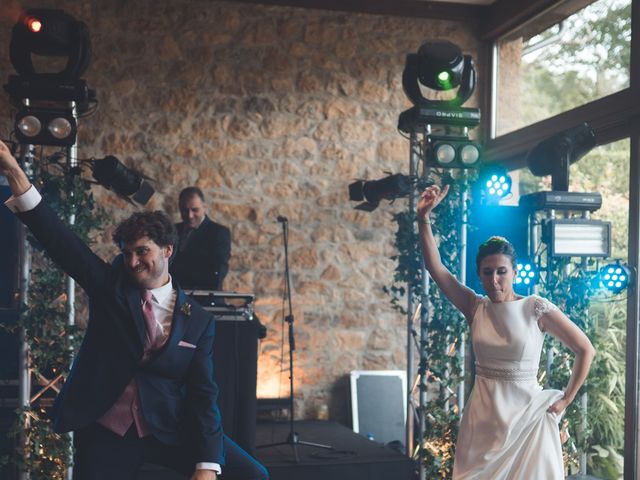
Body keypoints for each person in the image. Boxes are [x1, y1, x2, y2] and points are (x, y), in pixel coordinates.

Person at [0, 140, 268, 480]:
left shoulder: (198, 320)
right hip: (108, 429)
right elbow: (59, 240)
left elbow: (204, 395)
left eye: (142, 252)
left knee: (253, 475)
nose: (132, 262)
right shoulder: (109, 288)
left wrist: (207, 465)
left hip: (168, 428)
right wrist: (12, 169)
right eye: (127, 253)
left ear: (168, 250)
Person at [417, 183, 595, 480]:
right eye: (488, 273)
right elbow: (437, 270)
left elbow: (585, 349)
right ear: (480, 275)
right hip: (483, 421)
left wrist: (567, 398)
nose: (495, 280)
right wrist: (423, 218)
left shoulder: (535, 308)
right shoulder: (475, 307)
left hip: (527, 420)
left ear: (514, 272)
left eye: (502, 271)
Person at [170, 187, 231, 291]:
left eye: (195, 210)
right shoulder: (173, 230)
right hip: (177, 296)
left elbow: (218, 272)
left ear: (204, 207)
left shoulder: (219, 233)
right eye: (185, 210)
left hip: (204, 299)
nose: (190, 216)